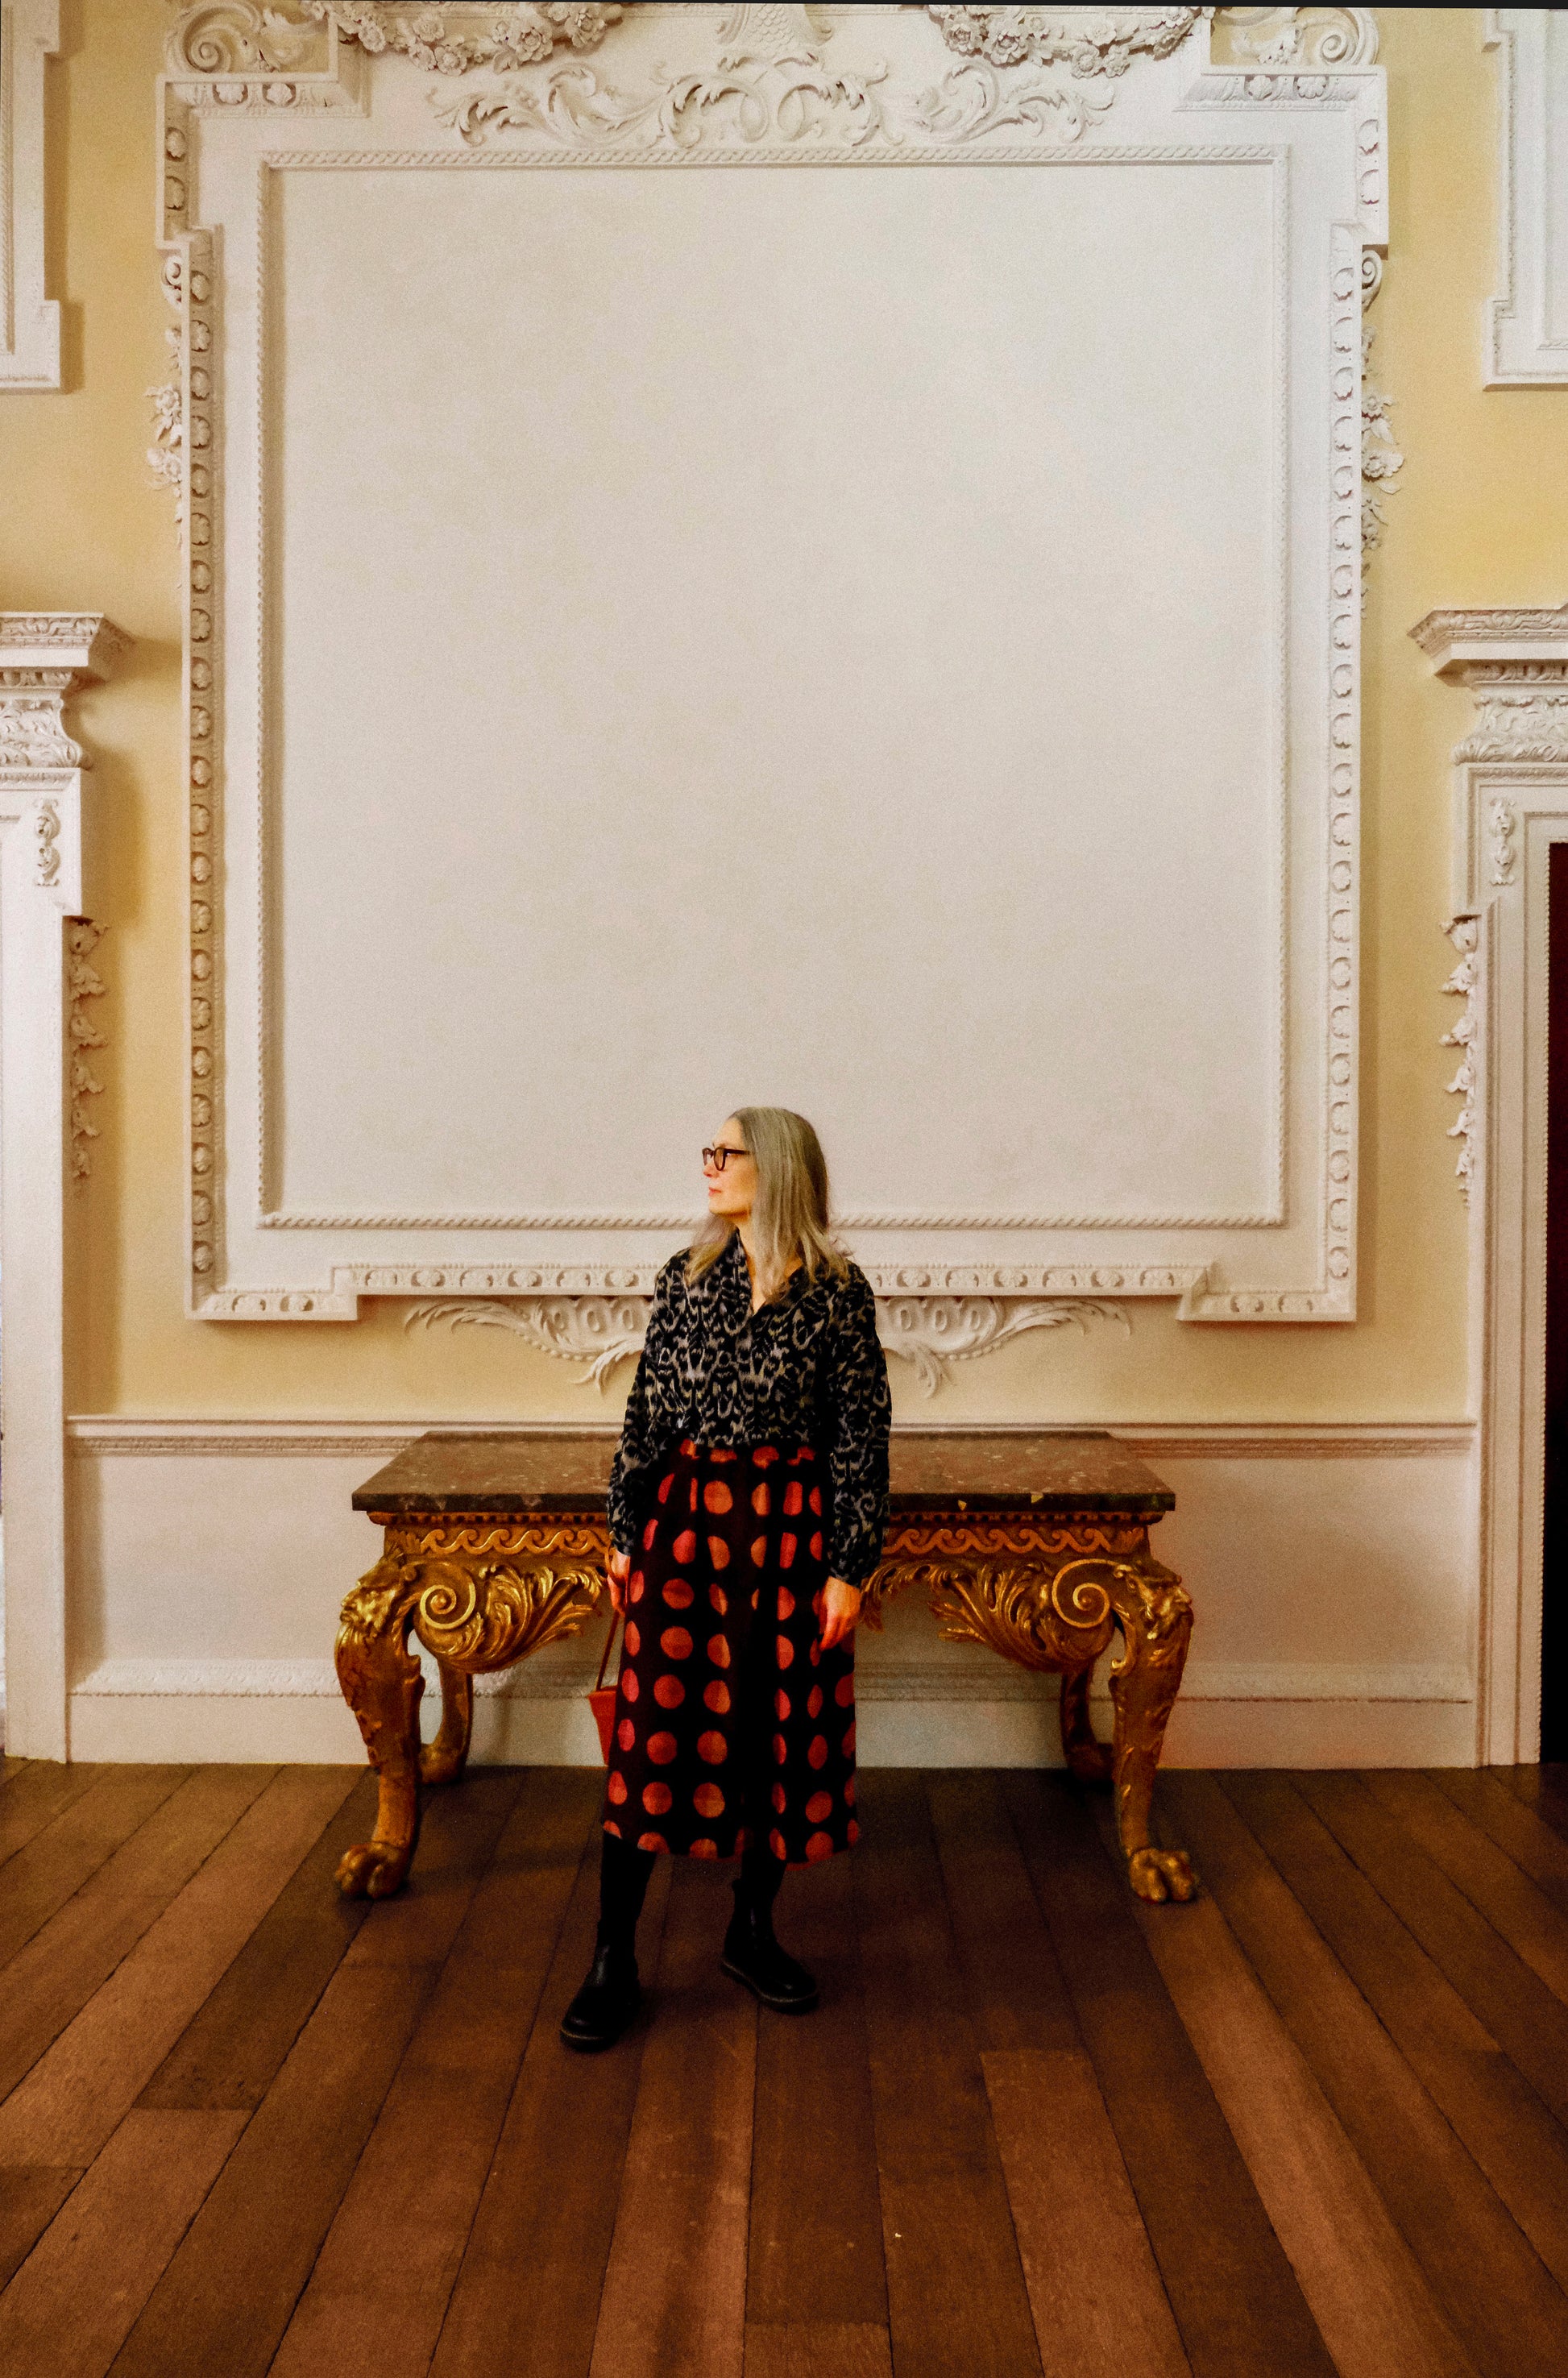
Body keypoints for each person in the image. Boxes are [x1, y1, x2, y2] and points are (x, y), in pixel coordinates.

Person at [561, 1106, 891, 2051]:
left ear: (776, 1167)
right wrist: (625, 1527)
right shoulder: (685, 1279)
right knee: (652, 1738)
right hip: (685, 1529)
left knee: (769, 1736)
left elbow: (859, 1434)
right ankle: (611, 1954)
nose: (708, 1168)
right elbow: (646, 1411)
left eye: (725, 1153)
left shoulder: (836, 1293)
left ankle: (751, 1931)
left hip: (790, 1537)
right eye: (705, 1153)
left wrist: (848, 1567)